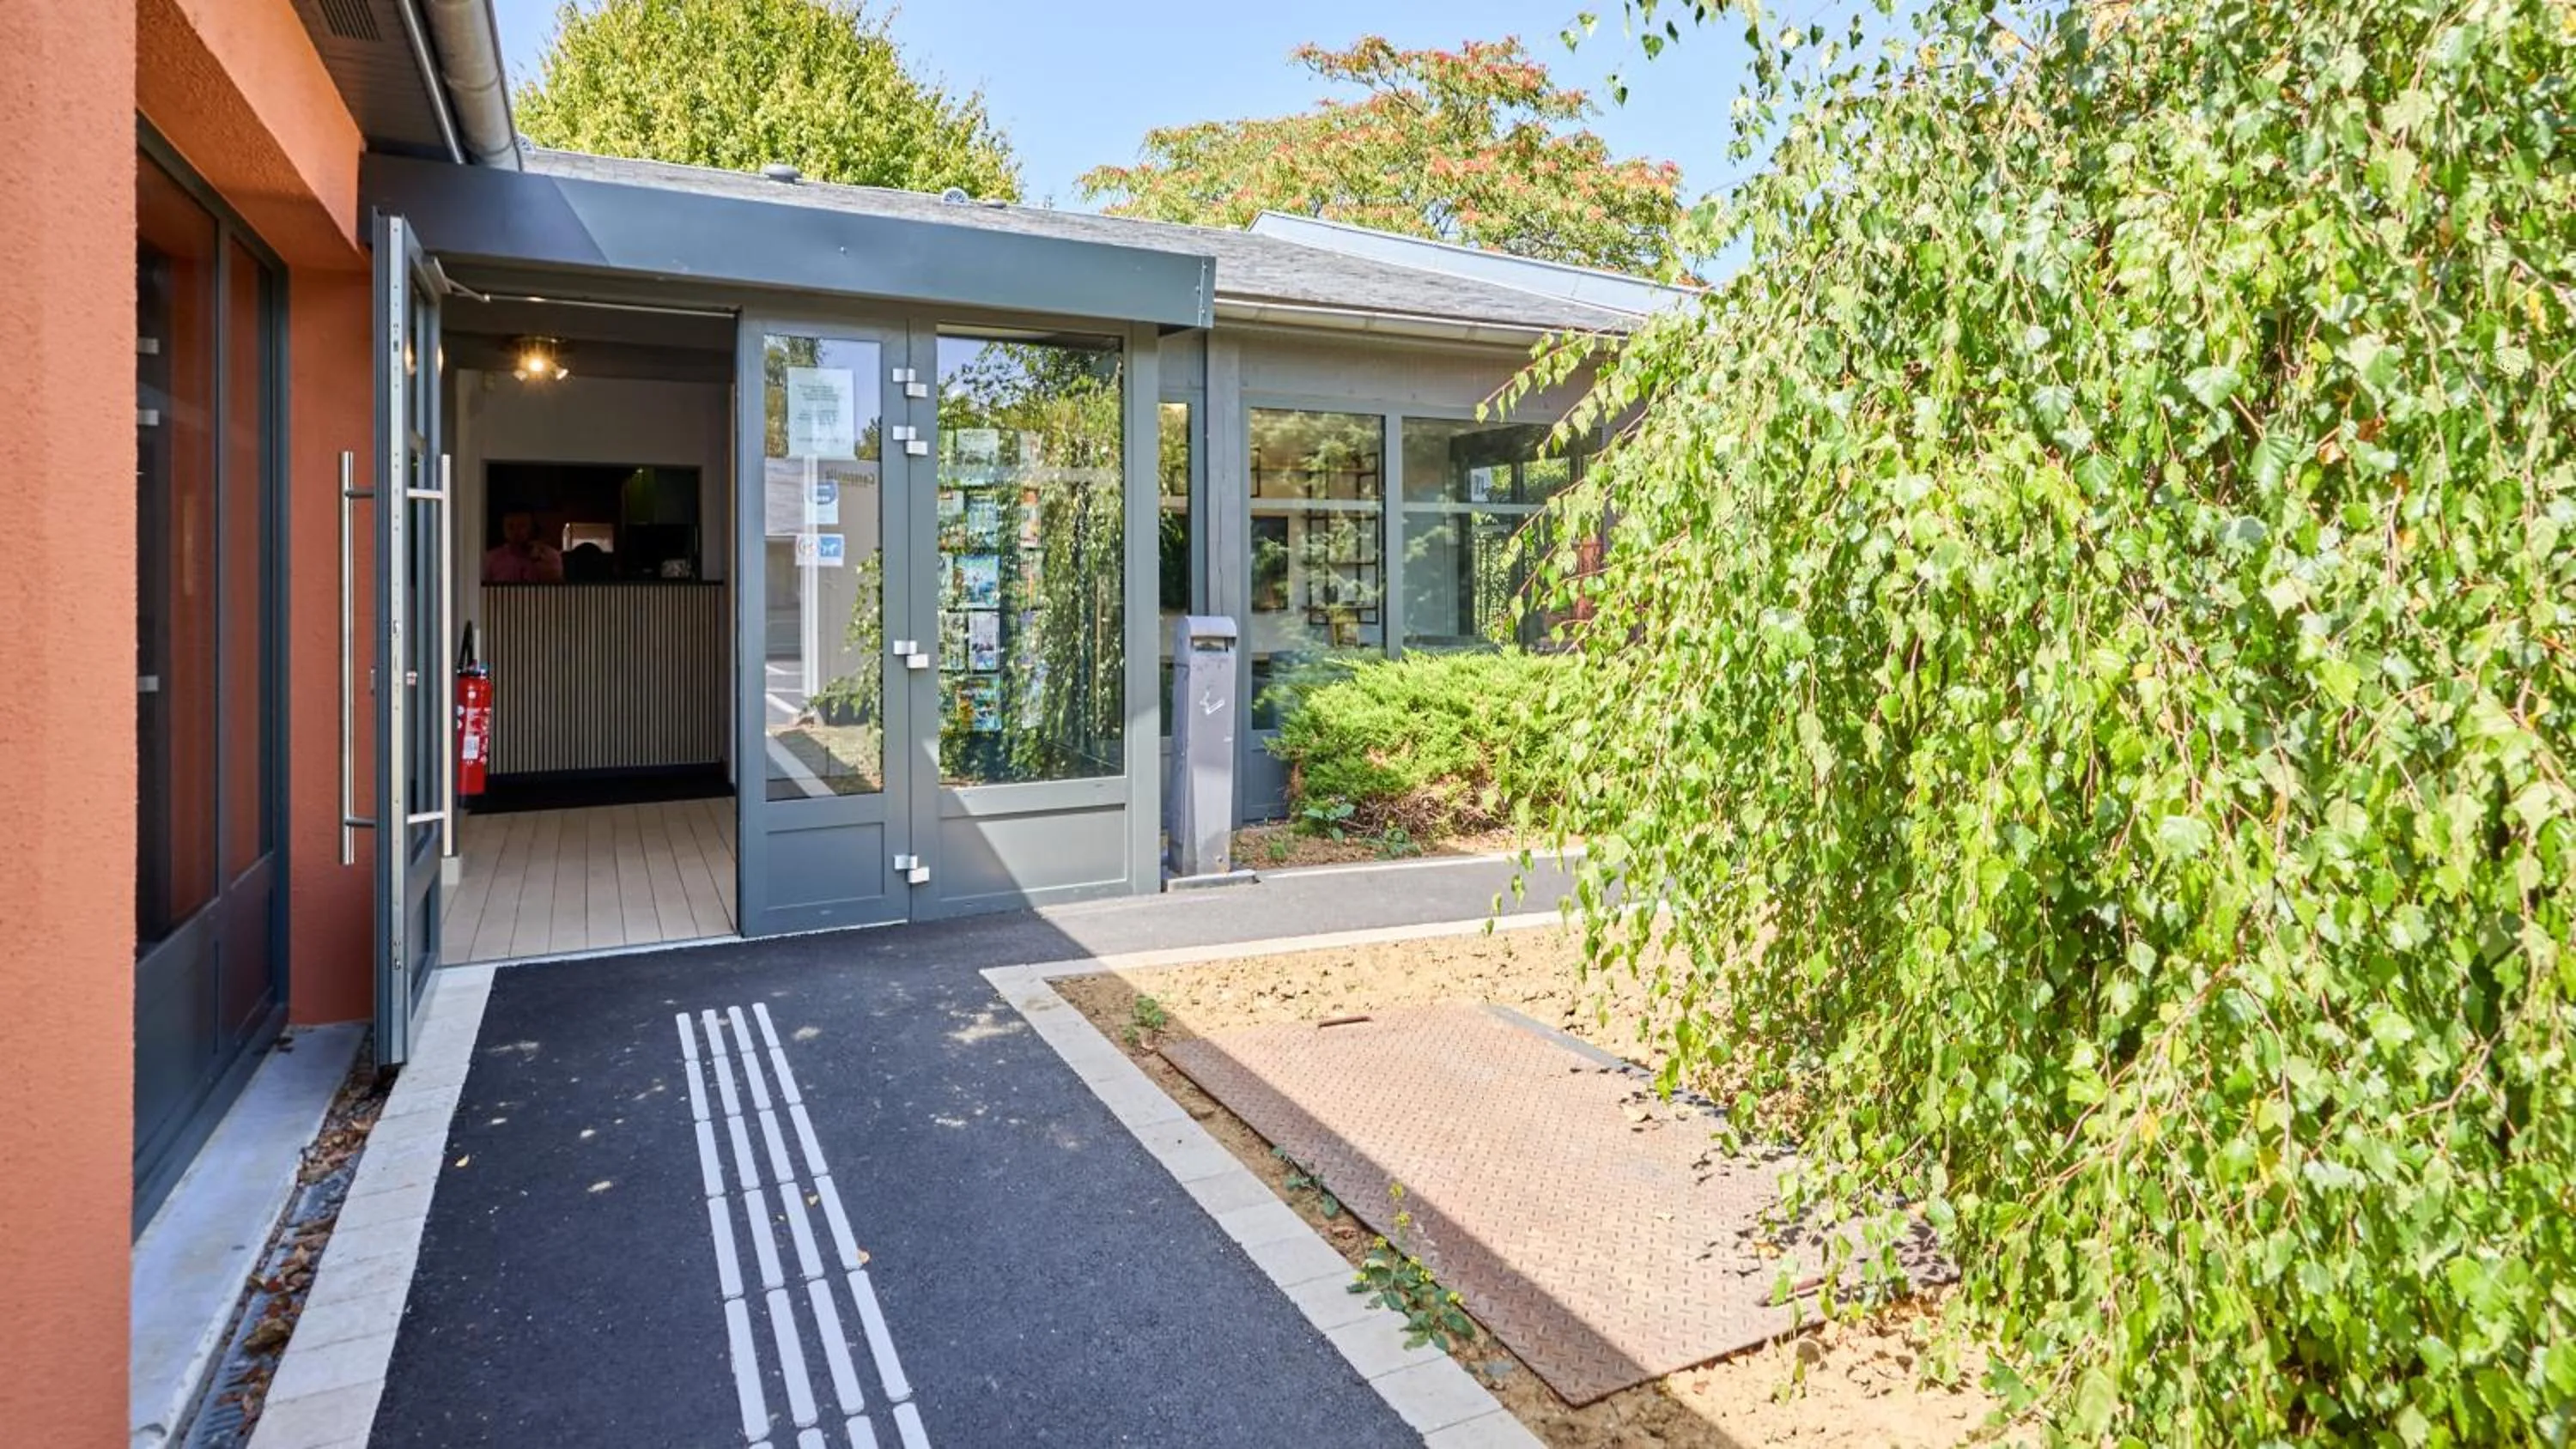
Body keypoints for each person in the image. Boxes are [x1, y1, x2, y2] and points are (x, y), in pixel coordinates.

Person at [483, 512, 562, 583]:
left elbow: (559, 587)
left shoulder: (550, 556)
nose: (516, 532)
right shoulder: (492, 558)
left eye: (522, 526)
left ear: (532, 528)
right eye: (510, 526)